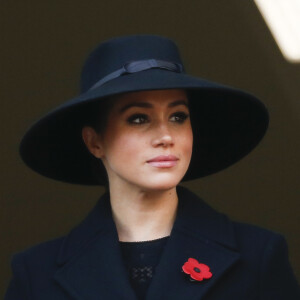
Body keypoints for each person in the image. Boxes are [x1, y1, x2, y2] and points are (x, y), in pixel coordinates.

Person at [5, 35, 299, 299]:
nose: (166, 137)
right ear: (94, 142)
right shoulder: (35, 274)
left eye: (178, 116)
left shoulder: (258, 256)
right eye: (138, 118)